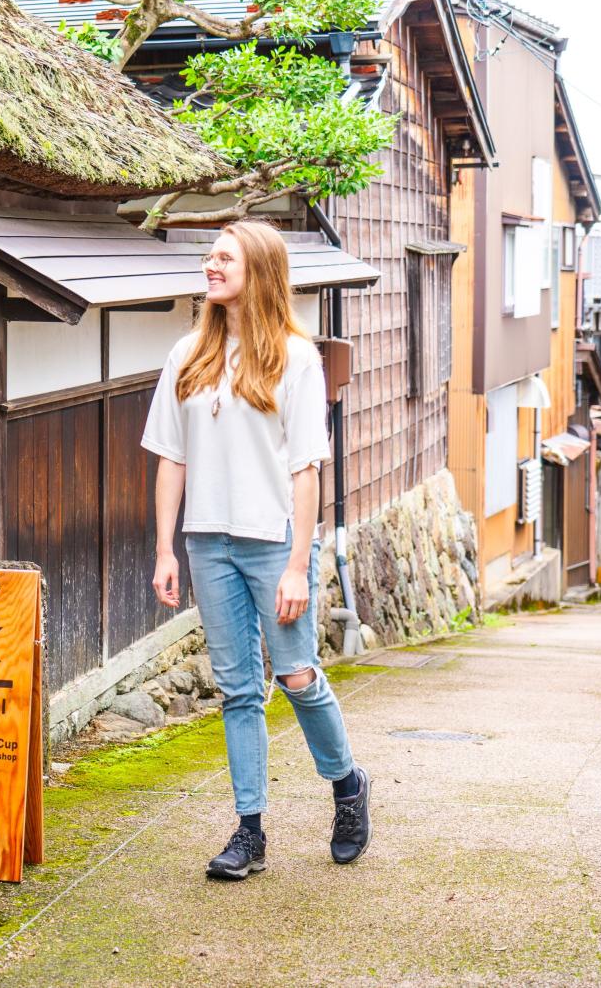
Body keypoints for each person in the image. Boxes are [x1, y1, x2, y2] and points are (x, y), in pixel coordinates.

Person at [142, 219, 369, 881]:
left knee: (295, 674)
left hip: (274, 542)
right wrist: (165, 550)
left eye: (223, 258)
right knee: (238, 688)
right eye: (209, 257)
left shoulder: (295, 358)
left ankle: (347, 786)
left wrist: (299, 563)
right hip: (207, 541)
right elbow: (169, 458)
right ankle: (249, 831)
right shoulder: (186, 354)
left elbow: (306, 469)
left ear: (259, 272)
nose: (210, 266)